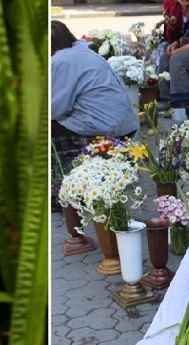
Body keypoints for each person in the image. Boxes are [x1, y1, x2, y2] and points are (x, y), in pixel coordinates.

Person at [51, 20, 139, 210]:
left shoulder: (60, 60)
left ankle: (59, 190)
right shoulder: (83, 51)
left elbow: (56, 108)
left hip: (103, 128)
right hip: (126, 124)